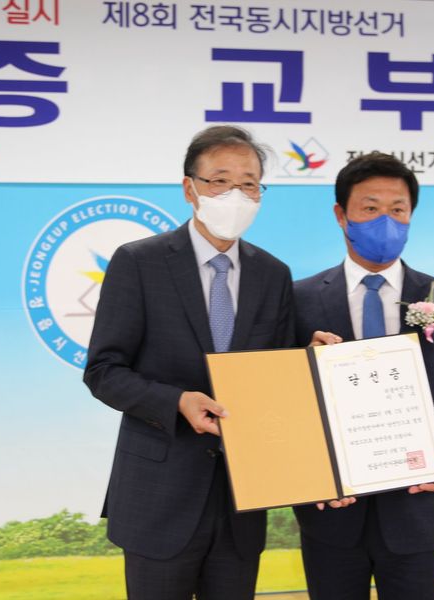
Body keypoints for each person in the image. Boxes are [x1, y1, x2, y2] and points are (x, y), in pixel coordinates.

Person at [83, 125, 295, 600]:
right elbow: (103, 371)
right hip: (158, 496)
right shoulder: (139, 262)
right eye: (220, 181)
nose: (235, 195)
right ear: (189, 188)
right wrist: (177, 401)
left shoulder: (273, 274)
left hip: (241, 502)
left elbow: (276, 377)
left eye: (249, 184)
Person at [293, 152, 434, 600]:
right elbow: (286, 402)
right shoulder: (298, 299)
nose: (386, 221)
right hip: (331, 511)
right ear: (341, 215)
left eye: (398, 210)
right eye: (370, 208)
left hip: (415, 506)